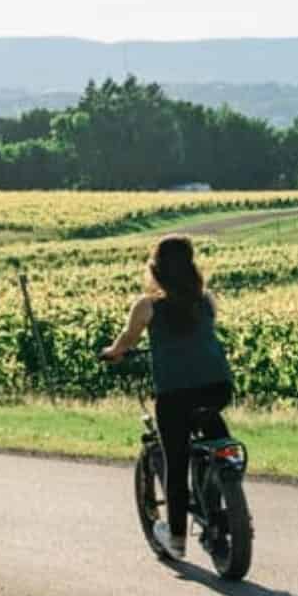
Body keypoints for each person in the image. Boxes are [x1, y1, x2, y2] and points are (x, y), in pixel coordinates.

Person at [102, 235, 235, 561]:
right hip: (217, 387)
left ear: (156, 271)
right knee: (214, 434)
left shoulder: (147, 306)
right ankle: (223, 487)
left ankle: (176, 539)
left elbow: (126, 341)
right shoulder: (207, 300)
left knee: (175, 460)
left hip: (175, 393)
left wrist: (113, 353)